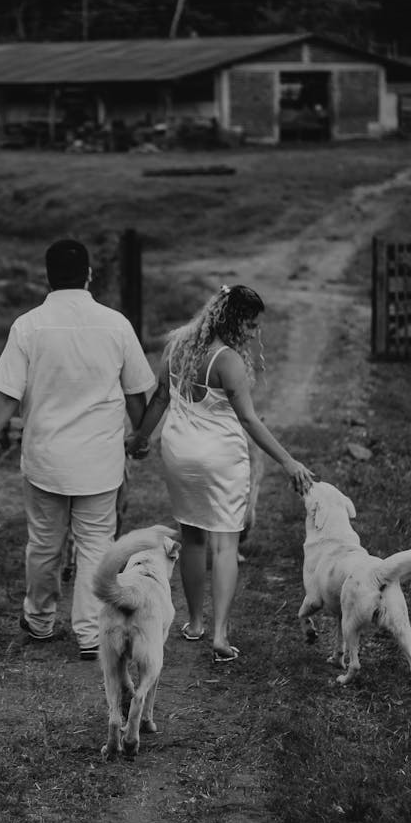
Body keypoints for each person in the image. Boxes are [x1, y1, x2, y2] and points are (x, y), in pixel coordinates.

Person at [0, 238, 155, 660]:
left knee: (43, 544)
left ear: (47, 276)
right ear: (89, 275)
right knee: (95, 545)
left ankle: (39, 621)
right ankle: (91, 635)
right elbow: (135, 394)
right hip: (99, 461)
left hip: (46, 459)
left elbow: (4, 396)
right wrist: (140, 437)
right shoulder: (117, 324)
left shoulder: (28, 326)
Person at [125, 283, 315, 663]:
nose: (255, 333)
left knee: (192, 539)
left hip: (179, 455)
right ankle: (220, 635)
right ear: (234, 321)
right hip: (220, 460)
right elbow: (248, 419)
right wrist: (288, 460)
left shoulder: (177, 344)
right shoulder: (228, 361)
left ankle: (194, 623)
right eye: (252, 325)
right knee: (226, 544)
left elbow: (161, 397)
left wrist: (141, 438)